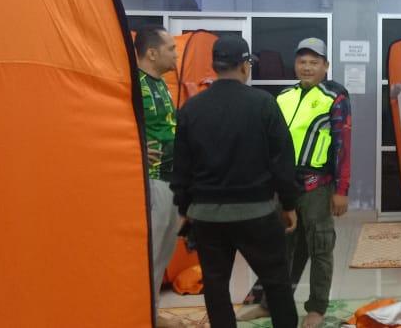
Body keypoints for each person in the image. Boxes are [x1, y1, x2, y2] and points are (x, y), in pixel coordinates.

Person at [171, 35, 302, 328]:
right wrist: (289, 204)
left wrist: (184, 207)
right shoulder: (263, 104)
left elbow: (182, 165)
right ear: (245, 66)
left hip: (207, 216)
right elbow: (282, 160)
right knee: (277, 283)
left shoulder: (192, 108)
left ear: (215, 66)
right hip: (257, 213)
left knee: (215, 286)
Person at [238, 38, 352, 328]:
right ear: (295, 64)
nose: (307, 67)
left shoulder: (336, 97)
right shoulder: (283, 97)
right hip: (284, 186)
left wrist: (341, 190)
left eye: (314, 62)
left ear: (326, 66)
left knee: (320, 246)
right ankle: (270, 304)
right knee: (279, 248)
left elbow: (343, 146)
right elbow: (270, 143)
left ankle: (317, 308)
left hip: (318, 185)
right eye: (302, 61)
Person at [134, 26, 182, 328]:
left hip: (171, 179)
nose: (176, 54)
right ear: (152, 53)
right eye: (171, 49)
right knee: (148, 257)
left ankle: (151, 313)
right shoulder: (132, 84)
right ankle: (140, 316)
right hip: (151, 182)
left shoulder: (162, 83)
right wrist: (135, 151)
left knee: (163, 254)